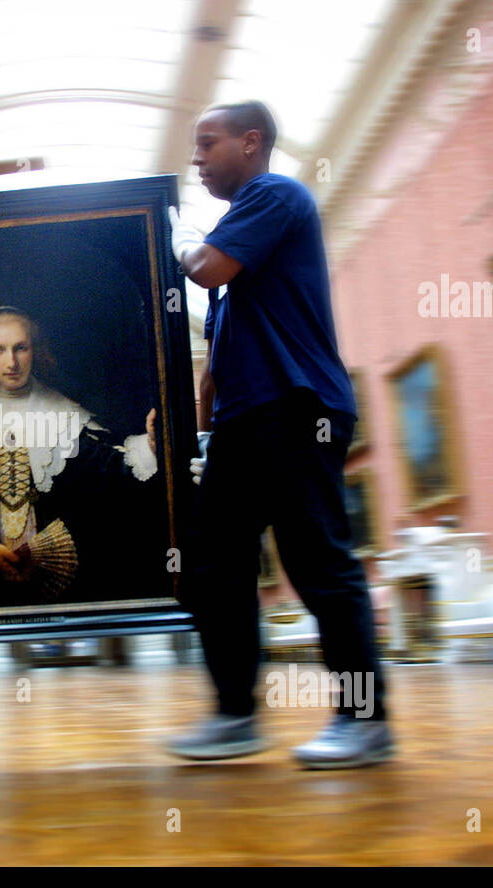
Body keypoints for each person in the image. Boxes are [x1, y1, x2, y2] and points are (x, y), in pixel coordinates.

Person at [166, 101, 392, 769]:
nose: (197, 159)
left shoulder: (274, 195)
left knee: (318, 564)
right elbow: (214, 367)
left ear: (252, 141)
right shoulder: (239, 268)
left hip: (296, 408)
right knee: (214, 566)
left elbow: (203, 266)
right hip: (244, 421)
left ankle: (365, 720)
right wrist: (204, 442)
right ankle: (235, 715)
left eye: (208, 145)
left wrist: (177, 240)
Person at [0, 306, 159, 604]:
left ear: (34, 352)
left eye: (20, 348)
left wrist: (152, 445)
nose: (11, 361)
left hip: (64, 579)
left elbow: (111, 466)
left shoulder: (64, 414)